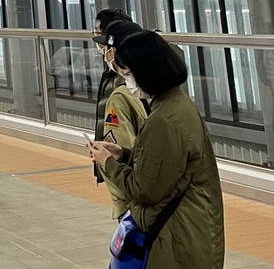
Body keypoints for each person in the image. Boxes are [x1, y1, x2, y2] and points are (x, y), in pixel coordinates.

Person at [89, 31, 225, 269]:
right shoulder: (177, 105)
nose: (127, 80)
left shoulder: (164, 120)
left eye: (129, 73)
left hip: (175, 236)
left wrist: (108, 163)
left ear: (147, 72)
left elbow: (145, 190)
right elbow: (169, 163)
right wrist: (125, 154)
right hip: (190, 228)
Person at [90, 19, 149, 219]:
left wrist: (122, 206)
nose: (104, 52)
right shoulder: (158, 92)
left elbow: (127, 157)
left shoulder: (122, 94)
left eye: (108, 48)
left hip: (135, 203)